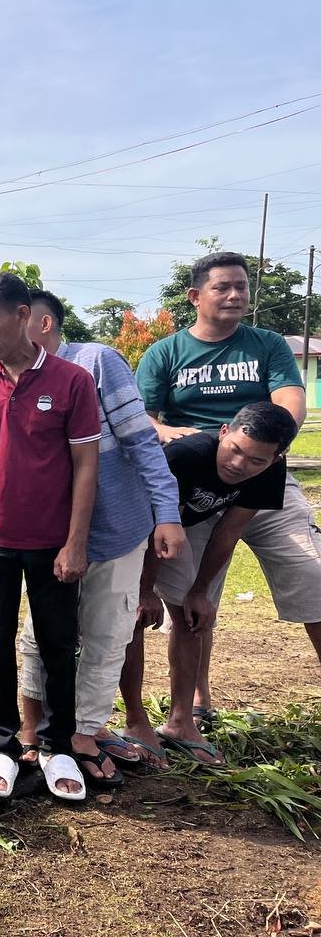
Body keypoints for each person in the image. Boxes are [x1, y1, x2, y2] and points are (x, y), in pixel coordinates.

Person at [12, 291, 185, 787]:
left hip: (114, 529)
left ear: (38, 322)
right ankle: (34, 728)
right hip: (48, 534)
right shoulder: (10, 377)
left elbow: (141, 441)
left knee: (108, 632)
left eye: (8, 321)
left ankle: (84, 732)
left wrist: (166, 515)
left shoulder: (95, 362)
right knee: (37, 634)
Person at [136, 251, 321, 713]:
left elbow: (290, 401)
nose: (236, 295)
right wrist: (168, 434)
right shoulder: (166, 352)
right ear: (195, 296)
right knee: (192, 600)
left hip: (261, 473)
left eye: (242, 286)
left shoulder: (267, 345)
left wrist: (267, 449)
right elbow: (142, 418)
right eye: (223, 287)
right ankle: (196, 701)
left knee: (313, 572)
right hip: (192, 477)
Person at [0, 273, 100, 802]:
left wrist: (76, 542)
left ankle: (56, 747)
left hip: (52, 541)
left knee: (58, 644)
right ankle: (3, 746)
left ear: (22, 316)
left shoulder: (72, 381)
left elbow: (85, 467)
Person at [123, 403, 298, 767]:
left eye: (255, 461)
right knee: (132, 616)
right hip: (131, 526)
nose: (238, 465)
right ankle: (136, 721)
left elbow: (229, 529)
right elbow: (154, 521)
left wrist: (199, 590)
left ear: (275, 458)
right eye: (235, 450)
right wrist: (144, 589)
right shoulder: (186, 456)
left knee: (192, 618)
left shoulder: (271, 470)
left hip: (178, 529)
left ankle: (181, 721)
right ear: (223, 431)